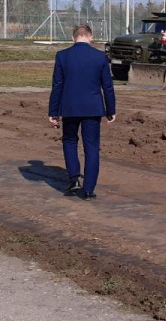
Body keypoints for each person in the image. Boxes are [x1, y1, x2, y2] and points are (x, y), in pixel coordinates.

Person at [48, 24, 116, 200]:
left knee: (70, 141)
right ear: (90, 37)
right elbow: (107, 86)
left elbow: (57, 86)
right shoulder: (100, 57)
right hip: (93, 108)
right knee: (91, 147)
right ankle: (88, 189)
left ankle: (73, 179)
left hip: (69, 107)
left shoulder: (62, 56)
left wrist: (53, 112)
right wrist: (111, 110)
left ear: (73, 38)